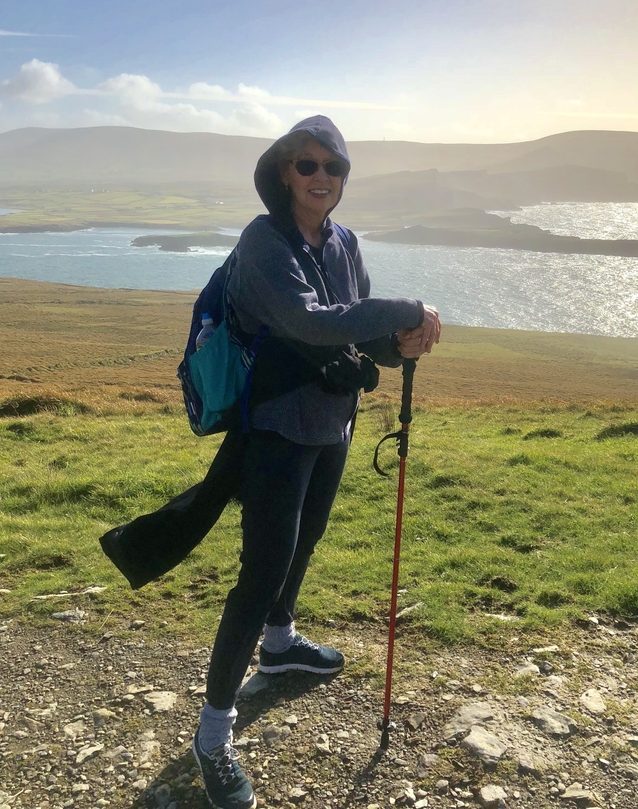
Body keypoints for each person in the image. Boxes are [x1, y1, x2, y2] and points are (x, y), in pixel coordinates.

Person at [191, 116, 441, 809]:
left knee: (305, 541)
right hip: (274, 429)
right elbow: (314, 323)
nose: (321, 177)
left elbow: (361, 327)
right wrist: (410, 306)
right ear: (282, 172)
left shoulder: (344, 242)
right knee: (260, 571)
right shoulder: (262, 241)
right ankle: (213, 736)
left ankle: (281, 642)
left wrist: (403, 342)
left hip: (332, 422)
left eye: (333, 167)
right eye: (307, 165)